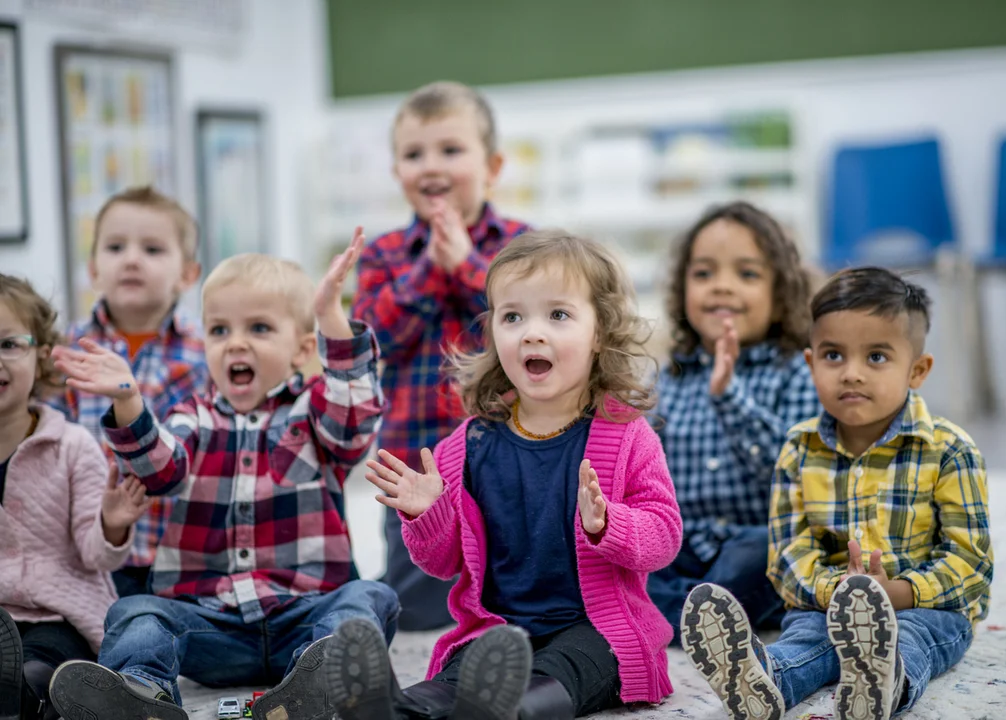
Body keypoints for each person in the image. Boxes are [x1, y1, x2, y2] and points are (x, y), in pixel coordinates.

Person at [328, 230, 683, 720]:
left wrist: (608, 524)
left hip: (596, 627)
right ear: (493, 331)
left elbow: (664, 535)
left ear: (599, 332)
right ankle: (394, 709)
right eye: (513, 316)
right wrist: (428, 514)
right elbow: (444, 562)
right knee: (460, 671)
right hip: (498, 627)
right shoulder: (468, 445)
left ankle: (508, 711)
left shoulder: (626, 435)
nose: (532, 332)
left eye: (557, 315)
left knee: (578, 663)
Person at [47, 231, 399, 720]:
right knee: (136, 612)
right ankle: (141, 694)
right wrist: (129, 401)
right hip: (210, 626)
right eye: (218, 330)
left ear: (300, 351)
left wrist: (330, 321)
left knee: (369, 597)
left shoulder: (315, 412)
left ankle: (324, 684)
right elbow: (161, 469)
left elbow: (354, 418)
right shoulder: (193, 415)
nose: (235, 343)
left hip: (304, 613)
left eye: (258, 328)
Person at [681, 267, 993, 719]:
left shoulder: (949, 451)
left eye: (877, 358)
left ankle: (887, 683)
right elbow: (788, 554)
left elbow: (972, 564)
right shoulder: (798, 449)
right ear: (811, 364)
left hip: (928, 608)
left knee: (912, 637)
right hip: (827, 601)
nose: (851, 374)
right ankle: (765, 680)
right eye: (833, 356)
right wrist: (840, 593)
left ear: (917, 370)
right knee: (806, 637)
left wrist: (898, 593)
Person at [351, 81, 530, 631]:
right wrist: (432, 268)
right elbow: (371, 340)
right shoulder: (382, 254)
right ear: (396, 170)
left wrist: (471, 266)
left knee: (512, 588)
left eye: (450, 150)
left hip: (509, 454)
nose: (431, 166)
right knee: (415, 607)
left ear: (492, 166)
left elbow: (528, 326)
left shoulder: (524, 246)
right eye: (413, 154)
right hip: (413, 461)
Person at [648, 202, 821, 637]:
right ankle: (701, 612)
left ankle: (677, 615)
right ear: (681, 289)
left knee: (773, 555)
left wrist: (730, 397)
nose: (722, 287)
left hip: (755, 540)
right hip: (685, 543)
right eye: (704, 274)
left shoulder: (798, 372)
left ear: (781, 295)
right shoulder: (667, 378)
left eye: (747, 274)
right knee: (615, 561)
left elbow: (793, 476)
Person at [0, 274, 145, 720]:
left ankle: (32, 695)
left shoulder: (73, 445)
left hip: (58, 613)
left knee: (47, 663)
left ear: (42, 356)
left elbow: (96, 555)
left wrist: (112, 523)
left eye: (9, 344)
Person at [54, 186, 208, 598]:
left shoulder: (207, 354)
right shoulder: (69, 352)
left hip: (184, 555)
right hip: (87, 551)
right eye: (116, 246)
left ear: (188, 274)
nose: (132, 259)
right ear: (93, 269)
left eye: (153, 249)